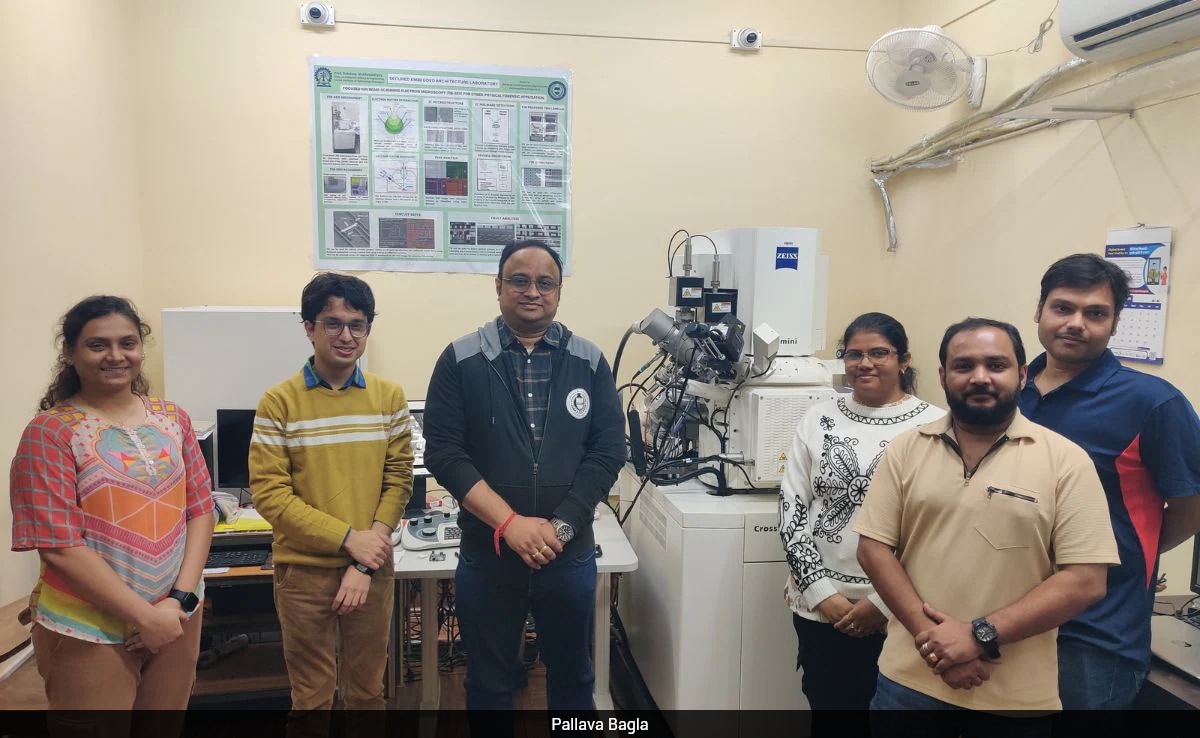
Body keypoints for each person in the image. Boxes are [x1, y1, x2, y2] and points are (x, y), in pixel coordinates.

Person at [855, 318, 1119, 736]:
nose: (980, 377)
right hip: (907, 685)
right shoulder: (906, 449)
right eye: (963, 366)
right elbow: (873, 549)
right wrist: (934, 642)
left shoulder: (1066, 461)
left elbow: (1085, 581)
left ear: (1022, 374)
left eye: (996, 365)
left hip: (1013, 699)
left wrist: (979, 635)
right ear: (943, 375)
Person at [423, 240, 625, 718]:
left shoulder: (590, 361)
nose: (532, 291)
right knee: (490, 682)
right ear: (497, 287)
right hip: (490, 554)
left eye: (545, 282)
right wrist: (510, 523)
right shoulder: (460, 360)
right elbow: (446, 454)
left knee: (574, 676)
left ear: (558, 292)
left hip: (567, 553)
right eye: (519, 280)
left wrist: (562, 527)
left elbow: (608, 450)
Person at [9, 296, 214, 734]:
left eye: (128, 343)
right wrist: (145, 616)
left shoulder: (171, 418)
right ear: (70, 353)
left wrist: (177, 604)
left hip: (177, 616)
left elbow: (200, 510)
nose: (116, 356)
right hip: (87, 625)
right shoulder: (50, 432)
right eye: (98, 345)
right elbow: (60, 545)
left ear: (142, 348)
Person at [1019, 253, 1200, 710]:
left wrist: (1126, 555)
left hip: (1095, 636)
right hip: (1003, 619)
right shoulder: (1007, 390)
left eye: (1095, 313)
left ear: (1115, 323)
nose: (1076, 323)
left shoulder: (1153, 403)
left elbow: (1191, 506)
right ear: (1038, 310)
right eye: (1063, 308)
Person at [249, 273, 413, 724]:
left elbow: (399, 479)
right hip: (303, 575)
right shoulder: (279, 402)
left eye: (357, 325)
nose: (346, 336)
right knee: (312, 700)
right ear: (309, 327)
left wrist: (364, 558)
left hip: (372, 570)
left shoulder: (388, 397)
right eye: (333, 323)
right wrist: (348, 540)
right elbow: (270, 495)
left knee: (366, 694)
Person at [779, 312, 944, 726]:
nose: (865, 363)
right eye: (854, 354)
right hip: (820, 609)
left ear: (903, 360)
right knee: (829, 714)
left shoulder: (934, 426)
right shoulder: (819, 418)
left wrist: (882, 602)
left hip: (903, 613)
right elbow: (792, 509)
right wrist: (822, 595)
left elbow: (936, 529)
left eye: (878, 353)